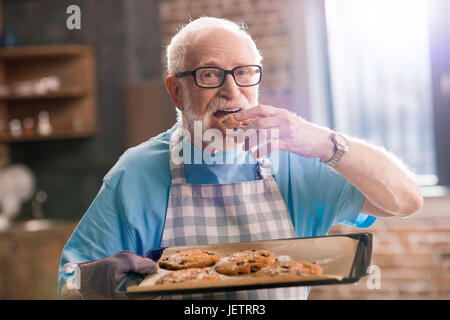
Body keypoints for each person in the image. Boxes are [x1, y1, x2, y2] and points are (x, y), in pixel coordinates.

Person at [57, 17, 423, 300]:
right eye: (210, 74)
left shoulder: (297, 159)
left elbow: (406, 201)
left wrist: (325, 143)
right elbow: (69, 284)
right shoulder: (136, 172)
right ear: (176, 91)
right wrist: (95, 282)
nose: (232, 91)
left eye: (244, 73)